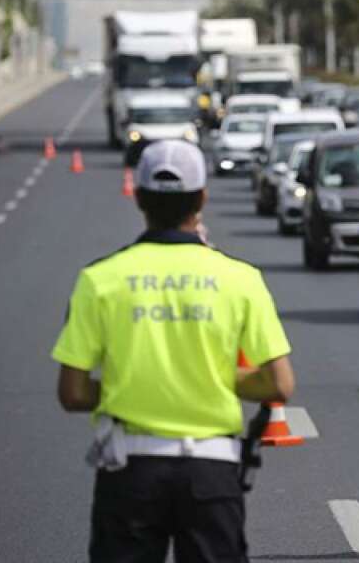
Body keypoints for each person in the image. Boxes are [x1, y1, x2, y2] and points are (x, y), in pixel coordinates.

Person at [53, 139, 296, 563]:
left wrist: (129, 386)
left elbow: (72, 393)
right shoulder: (240, 279)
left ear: (140, 198)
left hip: (130, 471)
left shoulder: (100, 279)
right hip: (212, 471)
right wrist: (218, 379)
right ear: (201, 198)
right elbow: (279, 383)